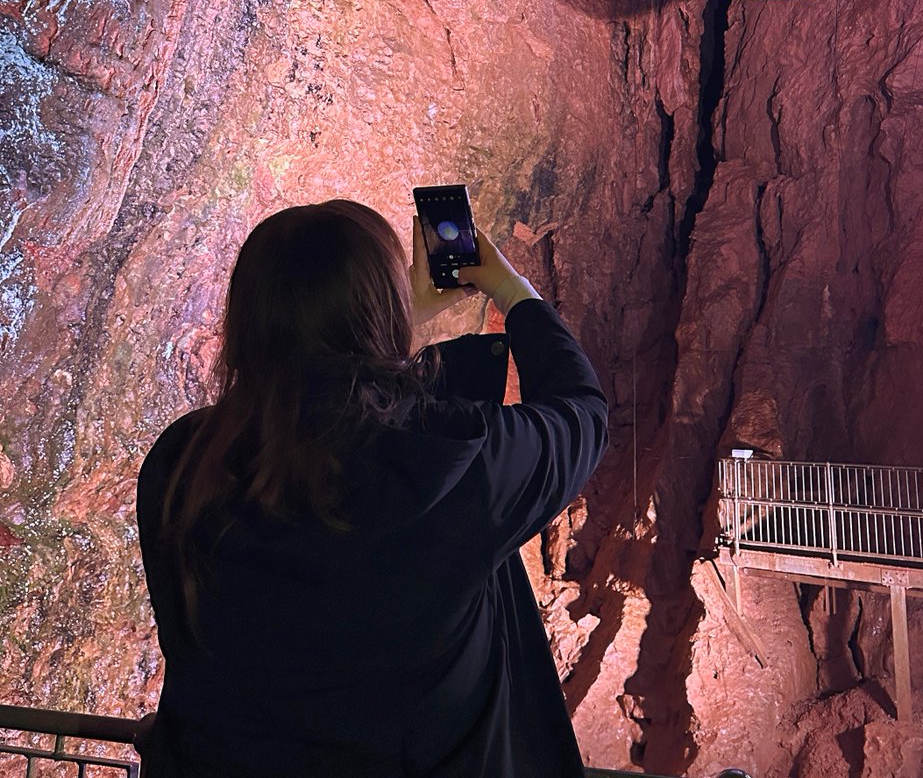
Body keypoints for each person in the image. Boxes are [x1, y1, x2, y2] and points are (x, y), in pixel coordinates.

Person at [136, 199, 608, 777]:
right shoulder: (453, 463)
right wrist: (512, 290)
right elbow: (582, 415)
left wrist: (364, 330)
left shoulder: (182, 467)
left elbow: (317, 416)